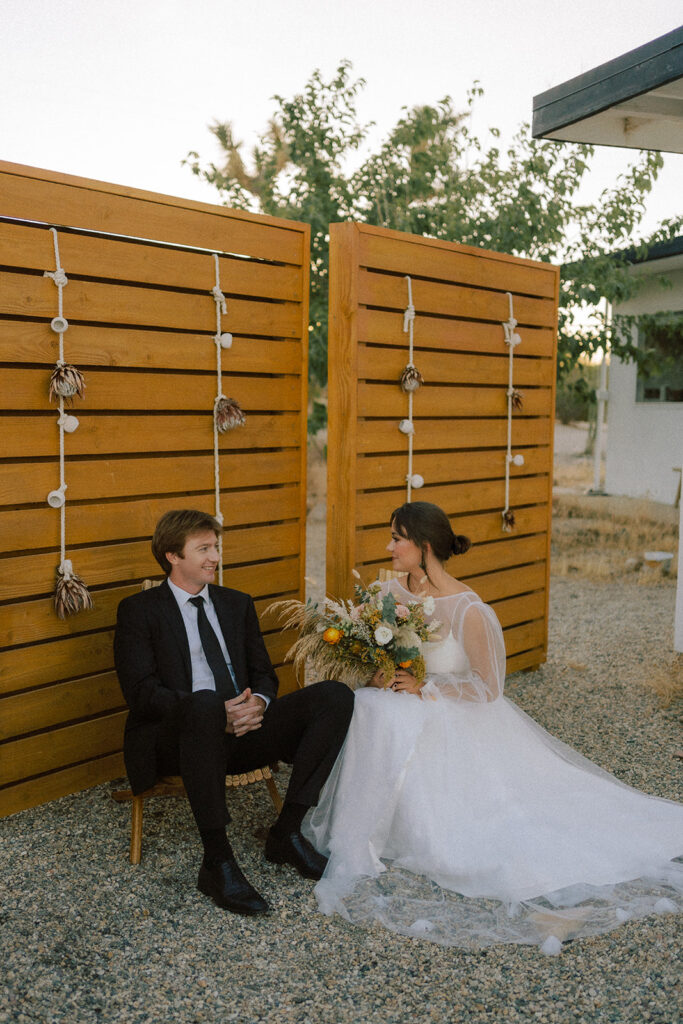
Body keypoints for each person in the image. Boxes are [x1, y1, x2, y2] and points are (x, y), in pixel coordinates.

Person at [304, 501, 683, 952]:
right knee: (368, 704)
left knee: (388, 715)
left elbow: (488, 687)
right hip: (399, 698)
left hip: (451, 711)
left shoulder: (467, 609)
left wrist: (426, 689)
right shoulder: (390, 595)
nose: (389, 547)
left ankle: (401, 828)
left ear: (424, 547)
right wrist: (378, 674)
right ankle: (361, 829)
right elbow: (378, 657)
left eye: (397, 538)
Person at [114, 509, 353, 917]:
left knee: (334, 695)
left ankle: (287, 832)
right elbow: (141, 693)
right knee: (204, 702)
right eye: (203, 548)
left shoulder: (236, 604)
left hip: (242, 732)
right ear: (172, 556)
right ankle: (217, 861)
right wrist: (211, 712)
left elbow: (263, 673)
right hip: (176, 740)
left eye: (216, 547)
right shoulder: (139, 610)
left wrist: (258, 702)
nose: (215, 557)